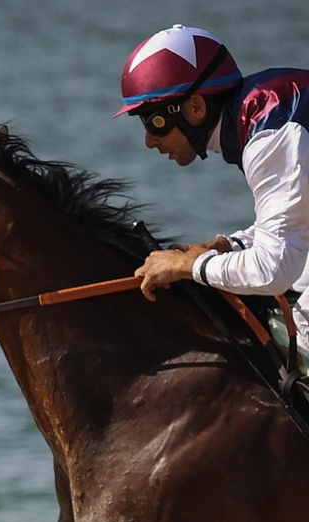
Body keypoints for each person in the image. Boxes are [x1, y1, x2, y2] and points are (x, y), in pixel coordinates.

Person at [120, 25, 309, 358]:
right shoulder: (261, 112)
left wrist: (187, 267)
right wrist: (225, 245)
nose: (149, 141)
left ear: (195, 107)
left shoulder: (271, 135)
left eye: (154, 121)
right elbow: (296, 217)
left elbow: (274, 270)